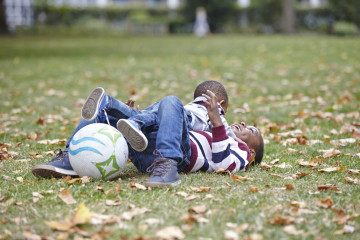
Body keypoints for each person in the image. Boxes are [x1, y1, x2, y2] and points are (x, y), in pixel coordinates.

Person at [33, 88, 264, 186]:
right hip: (148, 152)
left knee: (172, 102)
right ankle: (69, 157)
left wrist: (216, 122)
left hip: (178, 157)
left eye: (251, 130)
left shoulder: (240, 152)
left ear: (252, 153)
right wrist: (151, 118)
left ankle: (167, 166)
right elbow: (173, 129)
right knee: (106, 113)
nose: (243, 124)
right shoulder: (214, 133)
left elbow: (224, 164)